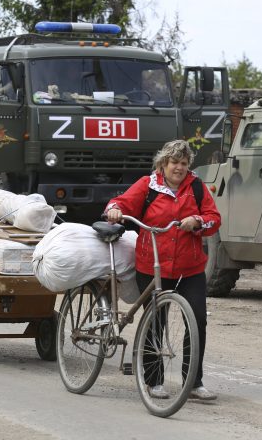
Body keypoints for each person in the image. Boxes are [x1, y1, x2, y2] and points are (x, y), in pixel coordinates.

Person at [105, 139, 221, 401]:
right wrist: (113, 211)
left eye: (183, 163)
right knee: (156, 322)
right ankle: (154, 381)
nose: (179, 168)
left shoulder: (197, 187)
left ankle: (193, 382)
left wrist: (198, 221)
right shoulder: (148, 186)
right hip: (153, 265)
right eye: (174, 162)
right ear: (163, 164)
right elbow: (120, 203)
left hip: (189, 268)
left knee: (198, 320)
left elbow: (214, 218)